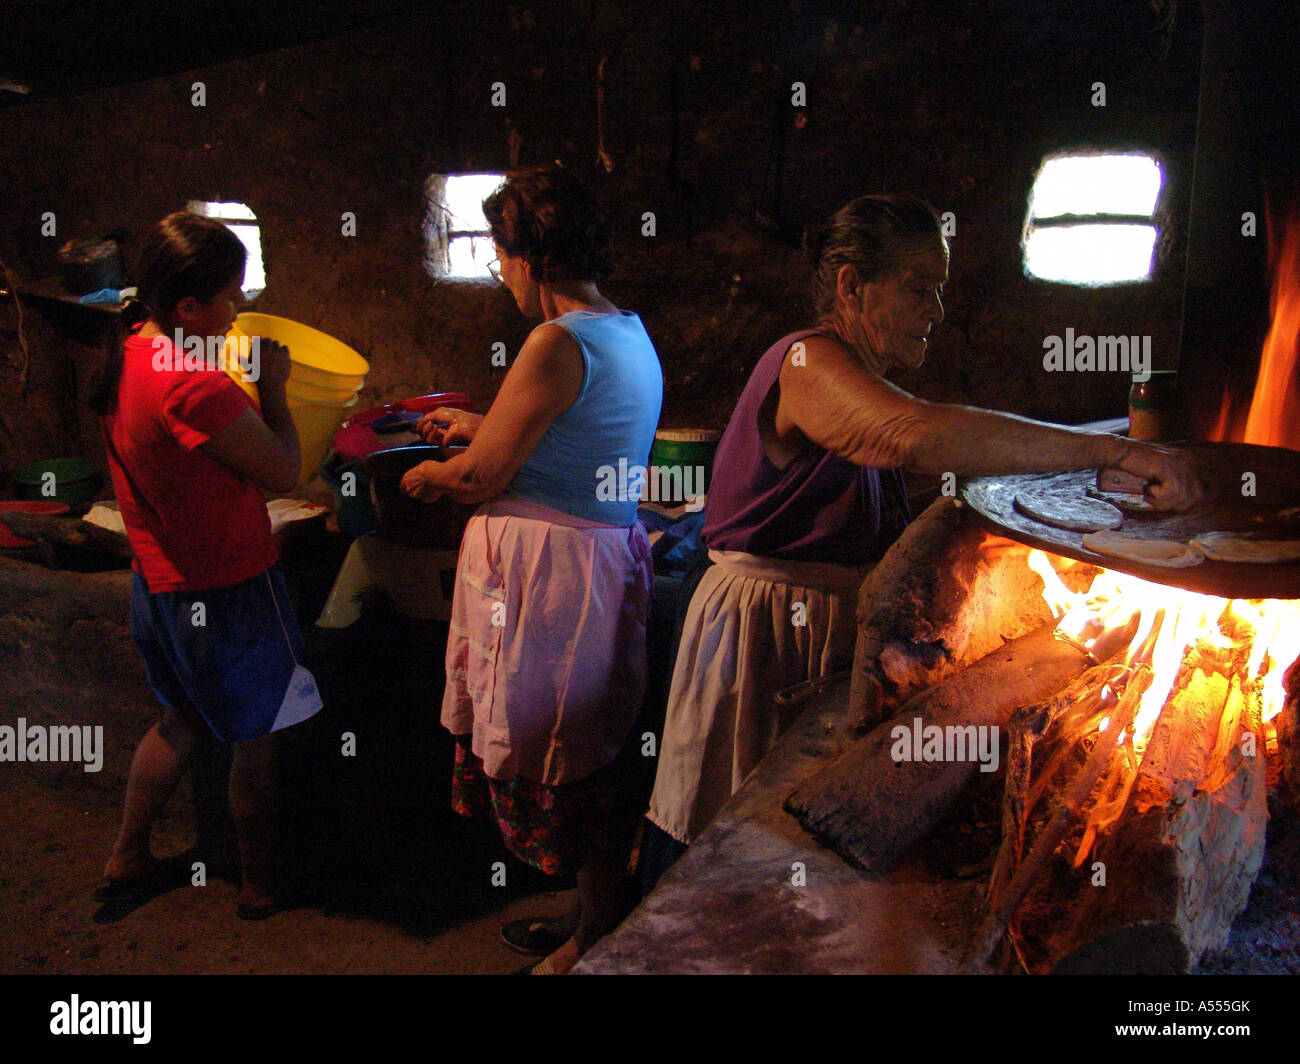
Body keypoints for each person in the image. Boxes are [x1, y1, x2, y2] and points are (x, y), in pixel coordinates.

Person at [645, 193, 1204, 869]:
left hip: (817, 619)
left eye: (939, 291)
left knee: (784, 839)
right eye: (918, 290)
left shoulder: (856, 377)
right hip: (766, 625)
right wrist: (1117, 454)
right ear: (852, 285)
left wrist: (1100, 443)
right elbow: (915, 434)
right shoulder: (803, 363)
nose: (936, 313)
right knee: (723, 839)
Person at [400, 167, 663, 974]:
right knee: (592, 750)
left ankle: (594, 940)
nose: (501, 274)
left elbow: (482, 477)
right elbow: (567, 438)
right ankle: (595, 915)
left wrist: (427, 475)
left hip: (548, 583)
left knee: (565, 754)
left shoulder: (555, 341)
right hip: (593, 562)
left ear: (530, 257)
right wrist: (483, 425)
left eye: (502, 256)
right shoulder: (624, 329)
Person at [90, 211, 322, 918]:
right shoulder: (192, 385)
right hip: (228, 591)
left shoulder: (131, 351)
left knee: (182, 719)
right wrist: (275, 390)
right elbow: (284, 469)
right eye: (229, 297)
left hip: (157, 585)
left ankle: (129, 851)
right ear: (188, 306)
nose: (238, 310)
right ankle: (259, 883)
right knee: (259, 736)